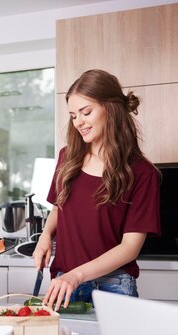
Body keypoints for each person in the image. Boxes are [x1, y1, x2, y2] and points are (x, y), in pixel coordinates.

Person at [33, 69, 161, 310]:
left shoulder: (143, 173)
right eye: (73, 115)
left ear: (110, 109)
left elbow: (129, 248)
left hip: (114, 285)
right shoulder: (67, 157)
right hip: (64, 281)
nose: (78, 122)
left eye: (86, 112)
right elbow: (59, 208)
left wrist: (76, 275)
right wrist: (45, 236)